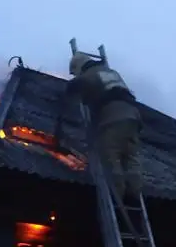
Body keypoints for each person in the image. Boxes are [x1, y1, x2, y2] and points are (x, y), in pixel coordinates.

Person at [61, 52, 144, 206]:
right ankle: (134, 194)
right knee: (131, 157)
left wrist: (66, 95)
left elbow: (75, 86)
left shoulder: (89, 75)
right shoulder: (111, 72)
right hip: (133, 117)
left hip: (113, 118)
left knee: (111, 158)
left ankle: (118, 199)